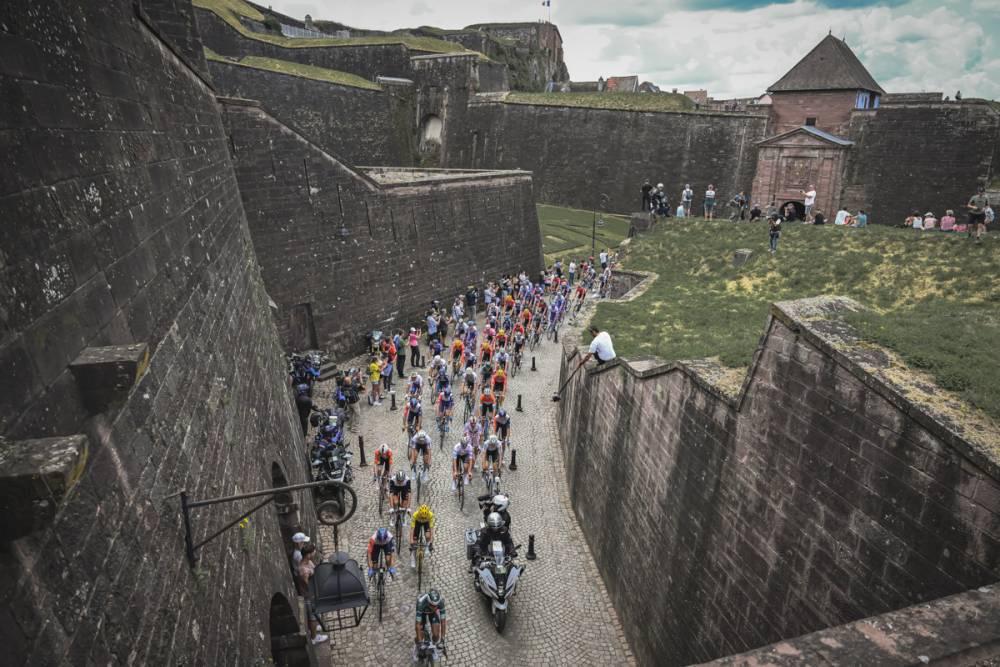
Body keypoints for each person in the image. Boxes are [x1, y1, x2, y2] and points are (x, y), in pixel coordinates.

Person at [297, 545, 329, 645]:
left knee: (315, 615)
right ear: (308, 555)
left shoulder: (308, 562)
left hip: (313, 593)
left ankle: (314, 628)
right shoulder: (304, 571)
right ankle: (314, 638)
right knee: (313, 617)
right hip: (309, 596)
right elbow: (308, 586)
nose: (314, 553)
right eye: (313, 552)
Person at [414, 589, 447, 661]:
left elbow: (443, 622)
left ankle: (434, 646)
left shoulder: (441, 602)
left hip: (433, 614)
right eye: (432, 605)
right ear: (428, 602)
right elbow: (417, 625)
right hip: (422, 612)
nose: (434, 608)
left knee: (436, 635)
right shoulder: (420, 603)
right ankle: (417, 646)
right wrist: (420, 643)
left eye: (436, 606)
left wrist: (442, 639)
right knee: (420, 635)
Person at [409, 503, 435, 567]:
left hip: (426, 523)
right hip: (417, 522)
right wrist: (411, 540)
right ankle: (412, 558)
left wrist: (431, 542)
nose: (423, 518)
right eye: (422, 517)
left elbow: (431, 530)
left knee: (428, 535)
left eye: (424, 517)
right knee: (414, 542)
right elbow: (412, 529)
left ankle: (427, 547)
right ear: (419, 514)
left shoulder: (430, 515)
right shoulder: (415, 515)